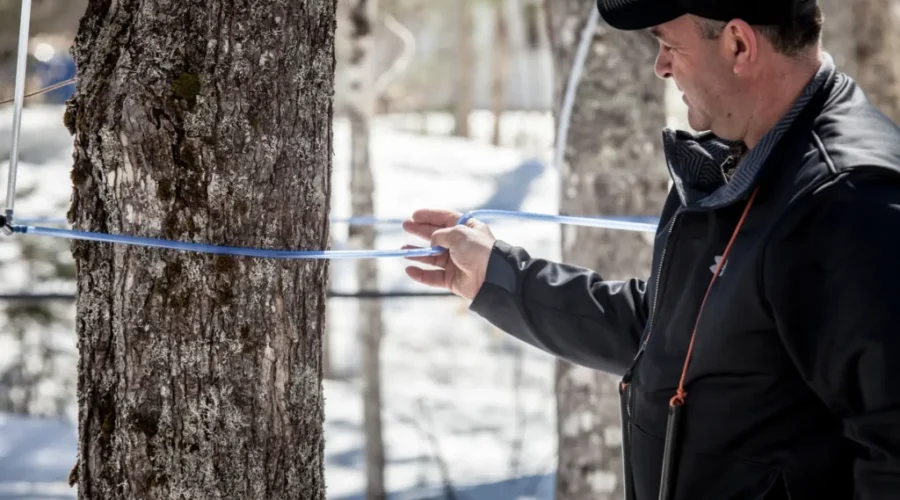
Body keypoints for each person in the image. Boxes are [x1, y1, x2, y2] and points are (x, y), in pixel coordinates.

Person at [401, 0, 900, 499]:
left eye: (669, 45)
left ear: (738, 45)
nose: (660, 66)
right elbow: (666, 334)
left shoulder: (848, 201)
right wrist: (498, 277)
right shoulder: (747, 158)